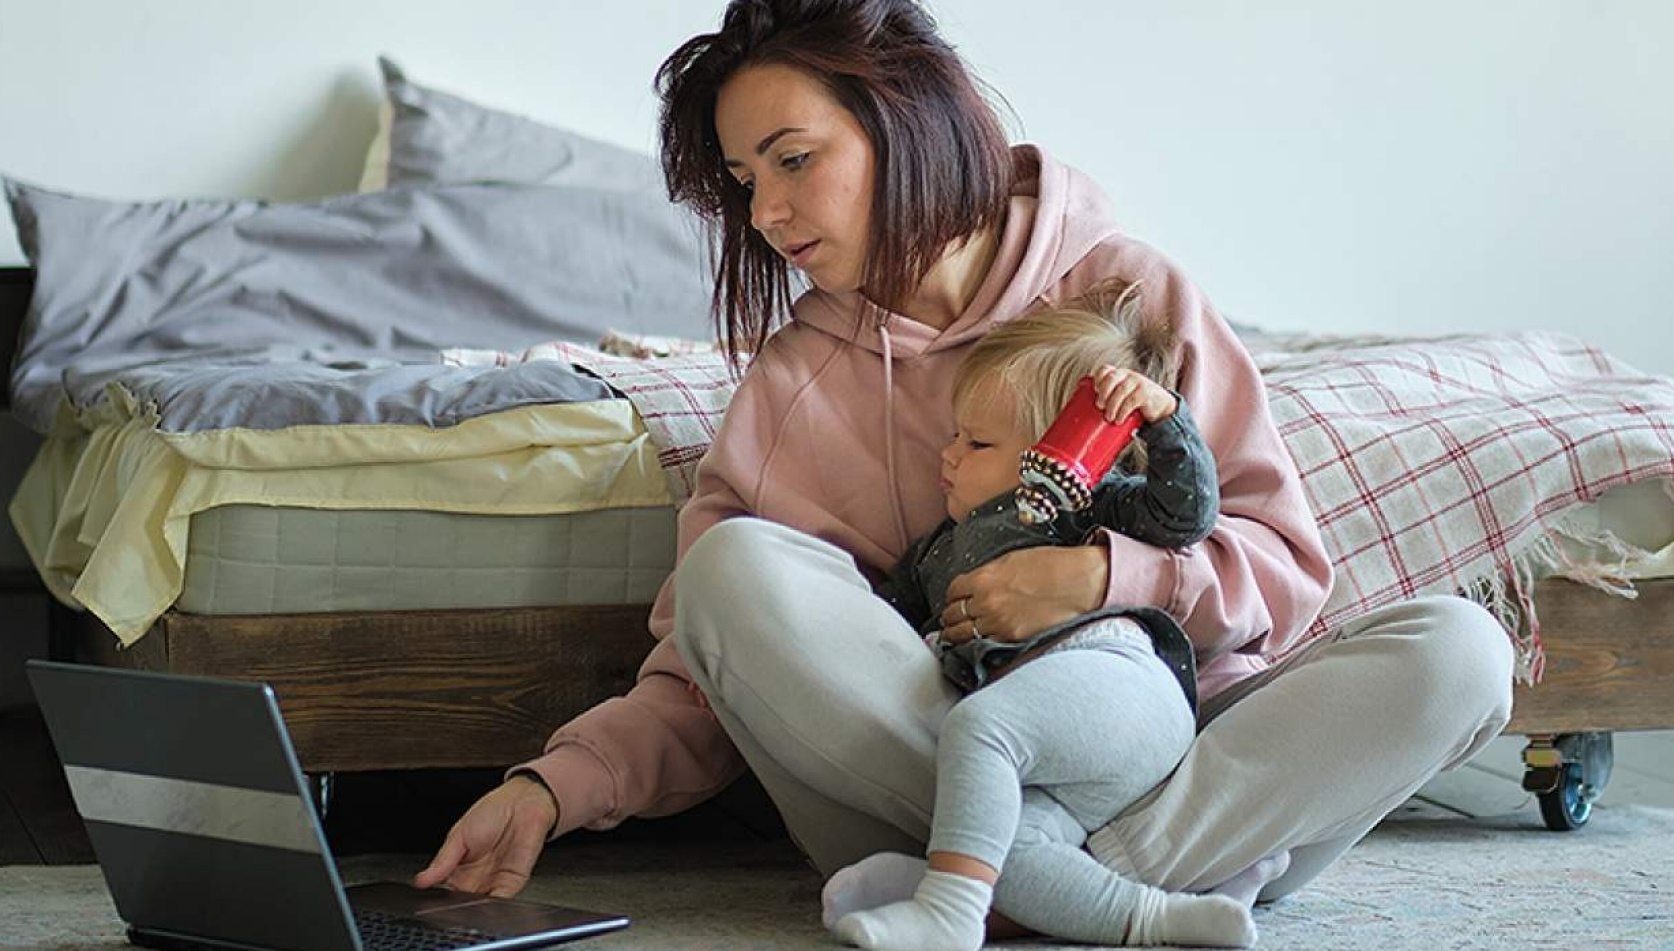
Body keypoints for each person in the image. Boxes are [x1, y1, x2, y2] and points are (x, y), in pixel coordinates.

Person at [416, 0, 1515, 945]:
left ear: (905, 119)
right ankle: (1108, 890)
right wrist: (550, 787)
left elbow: (1280, 568)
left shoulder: (1127, 292)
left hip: (1153, 736)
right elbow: (710, 671)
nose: (766, 215)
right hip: (943, 759)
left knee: (1462, 649)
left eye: (794, 159)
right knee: (732, 568)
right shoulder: (795, 383)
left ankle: (1004, 893)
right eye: (745, 182)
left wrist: (1104, 580)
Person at [829, 281, 1253, 950]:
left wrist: (1165, 418)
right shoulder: (936, 553)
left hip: (1121, 680)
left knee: (980, 728)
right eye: (955, 436)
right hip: (1061, 747)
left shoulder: (1079, 502)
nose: (949, 455)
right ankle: (1158, 918)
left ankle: (948, 910)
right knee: (1009, 843)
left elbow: (1184, 515)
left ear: (1058, 452)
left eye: (977, 444)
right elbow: (883, 625)